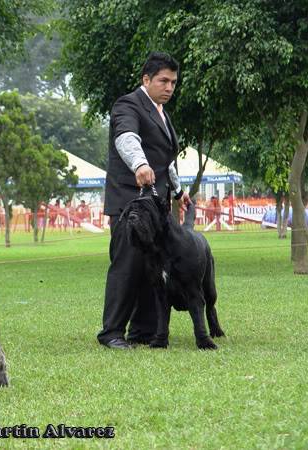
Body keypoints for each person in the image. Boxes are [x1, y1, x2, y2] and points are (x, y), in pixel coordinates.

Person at [98, 52, 190, 349]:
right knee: (128, 264)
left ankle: (145, 331)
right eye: (163, 81)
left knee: (153, 265)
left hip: (156, 208)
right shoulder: (128, 105)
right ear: (146, 79)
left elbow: (166, 161)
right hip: (129, 204)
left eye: (174, 82)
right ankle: (111, 333)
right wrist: (139, 165)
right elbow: (126, 138)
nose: (169, 87)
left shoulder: (162, 113)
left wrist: (178, 191)